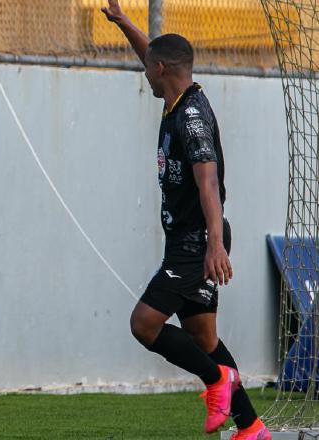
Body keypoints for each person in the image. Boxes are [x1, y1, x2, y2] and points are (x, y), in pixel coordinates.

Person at [101, 2, 270, 439]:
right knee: (204, 340)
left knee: (144, 324)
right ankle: (251, 427)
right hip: (193, 238)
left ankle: (218, 380)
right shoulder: (176, 93)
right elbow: (153, 54)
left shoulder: (190, 118)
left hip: (196, 243)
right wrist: (124, 24)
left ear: (161, 70)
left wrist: (214, 244)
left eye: (148, 68)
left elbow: (208, 183)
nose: (144, 73)